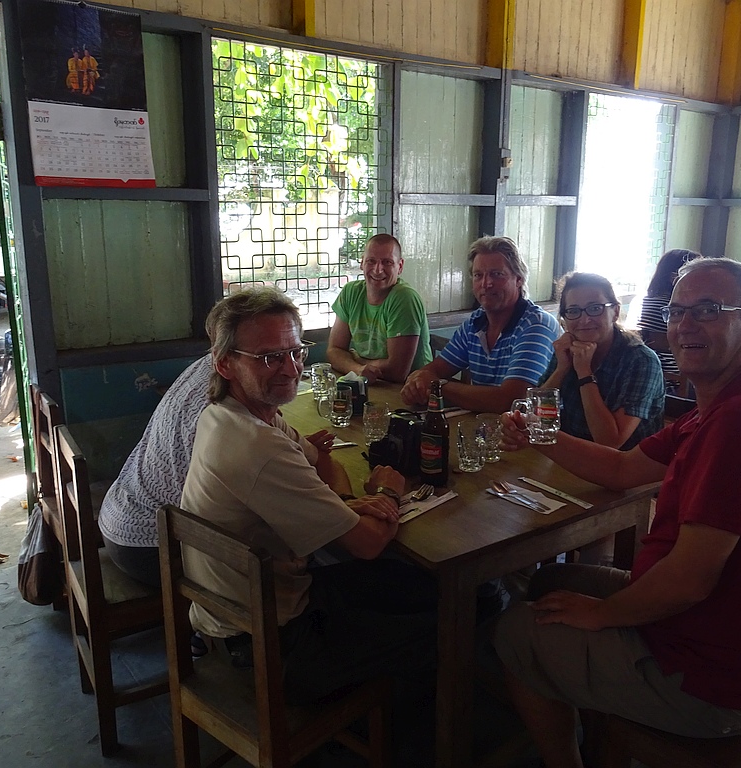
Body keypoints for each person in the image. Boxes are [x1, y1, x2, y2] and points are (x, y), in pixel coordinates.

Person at [494, 258, 741, 768]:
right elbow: (623, 468)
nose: (685, 325)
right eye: (677, 311)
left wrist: (601, 615)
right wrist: (537, 434)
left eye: (707, 310)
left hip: (707, 679)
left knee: (514, 631)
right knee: (548, 584)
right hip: (708, 632)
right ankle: (579, 702)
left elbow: (687, 582)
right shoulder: (725, 404)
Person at [180, 287, 437, 704]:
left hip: (246, 610)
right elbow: (368, 543)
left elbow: (322, 461)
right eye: (269, 357)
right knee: (453, 612)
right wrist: (387, 491)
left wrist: (343, 504)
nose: (290, 368)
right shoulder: (256, 445)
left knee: (413, 586)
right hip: (273, 640)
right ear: (225, 363)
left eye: (295, 351)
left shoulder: (231, 414)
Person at [401, 236, 560, 413]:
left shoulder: (536, 325)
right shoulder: (475, 323)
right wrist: (417, 382)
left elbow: (511, 401)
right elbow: (432, 371)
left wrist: (437, 387)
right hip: (487, 426)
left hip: (536, 429)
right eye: (478, 275)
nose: (486, 284)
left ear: (519, 279)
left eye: (497, 274)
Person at [98, 355, 215, 588]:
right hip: (148, 544)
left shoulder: (203, 366)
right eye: (268, 357)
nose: (288, 369)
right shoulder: (225, 404)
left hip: (120, 517)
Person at [544, 272, 664, 450]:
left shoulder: (641, 361)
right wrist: (561, 369)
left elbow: (610, 442)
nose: (584, 320)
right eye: (574, 311)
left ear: (615, 312)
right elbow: (537, 416)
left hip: (626, 464)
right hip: (572, 456)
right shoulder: (566, 350)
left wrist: (584, 373)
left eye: (595, 308)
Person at [327, 234, 432, 383]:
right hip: (371, 384)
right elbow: (334, 350)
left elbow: (397, 372)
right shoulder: (351, 292)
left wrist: (358, 361)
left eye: (387, 262)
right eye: (371, 261)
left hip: (410, 388)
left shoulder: (404, 298)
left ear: (400, 266)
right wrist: (358, 369)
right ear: (362, 263)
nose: (378, 270)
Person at [636, 249, 701, 384]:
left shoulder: (649, 300)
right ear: (677, 277)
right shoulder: (672, 305)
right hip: (672, 371)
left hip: (651, 366)